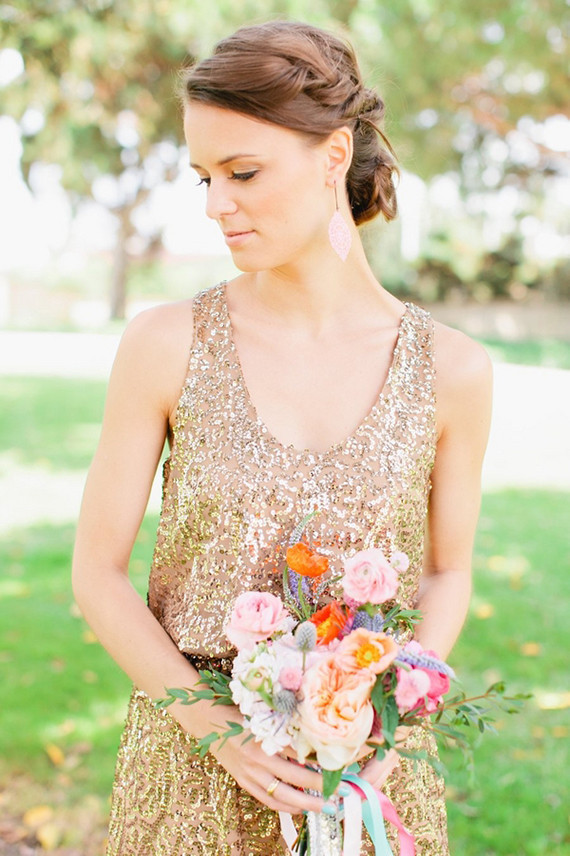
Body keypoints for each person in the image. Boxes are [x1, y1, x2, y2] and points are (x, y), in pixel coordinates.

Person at [72, 20, 492, 856]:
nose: (215, 203)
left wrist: (399, 719)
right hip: (188, 770)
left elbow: (448, 570)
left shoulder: (454, 368)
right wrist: (214, 730)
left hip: (367, 780)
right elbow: (97, 572)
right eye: (202, 176)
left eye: (243, 172)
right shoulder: (166, 343)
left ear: (334, 156)